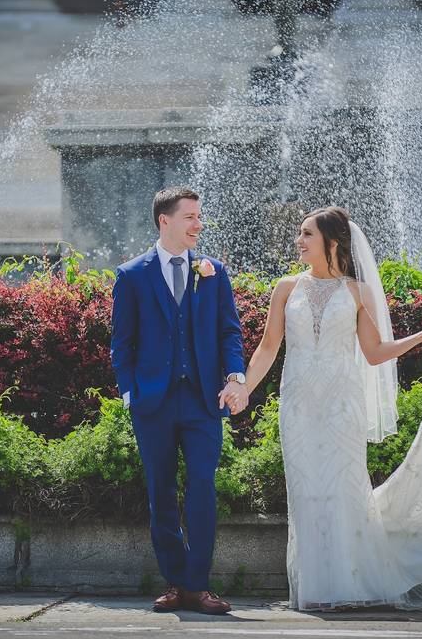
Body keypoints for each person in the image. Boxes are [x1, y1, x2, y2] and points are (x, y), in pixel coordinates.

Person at [241, 206, 422, 610]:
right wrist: (243, 387)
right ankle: (316, 590)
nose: (299, 241)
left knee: (344, 491)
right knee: (306, 492)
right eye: (300, 233)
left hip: (343, 406)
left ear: (331, 242)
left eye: (307, 234)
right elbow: (268, 347)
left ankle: (349, 587)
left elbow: (376, 353)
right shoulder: (286, 287)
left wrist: (421, 336)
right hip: (298, 406)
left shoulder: (358, 292)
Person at [110, 186, 250, 614]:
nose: (198, 224)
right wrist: (131, 392)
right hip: (152, 402)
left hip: (203, 401)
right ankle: (175, 582)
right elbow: (122, 343)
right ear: (164, 221)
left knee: (203, 487)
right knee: (162, 491)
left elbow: (229, 332)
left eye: (199, 216)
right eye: (190, 216)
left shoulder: (213, 271)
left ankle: (198, 584)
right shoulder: (132, 274)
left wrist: (235, 376)